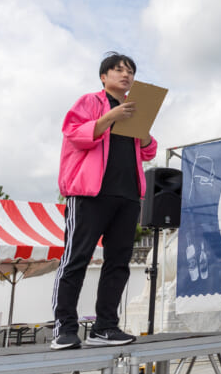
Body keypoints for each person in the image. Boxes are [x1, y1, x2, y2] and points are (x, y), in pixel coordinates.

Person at [50, 53, 158, 350]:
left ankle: (105, 327)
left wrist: (144, 130)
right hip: (89, 194)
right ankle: (64, 328)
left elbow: (148, 151)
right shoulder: (90, 102)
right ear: (103, 76)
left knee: (118, 263)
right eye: (119, 70)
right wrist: (111, 117)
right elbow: (74, 134)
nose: (126, 75)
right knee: (76, 259)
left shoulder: (133, 109)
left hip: (127, 195)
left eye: (131, 72)